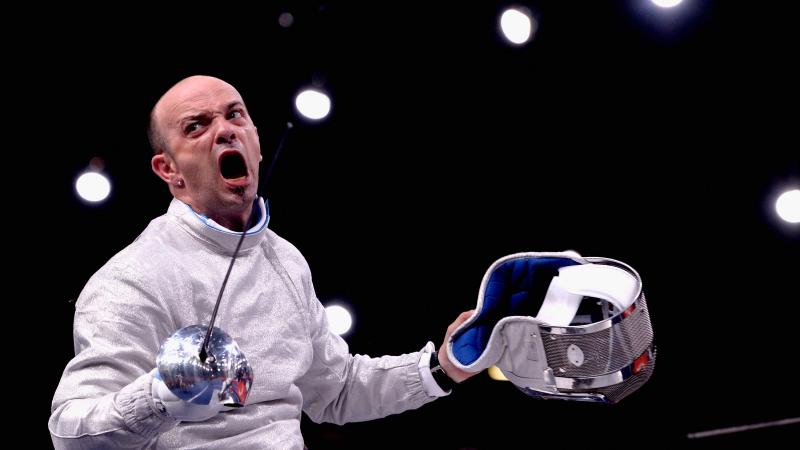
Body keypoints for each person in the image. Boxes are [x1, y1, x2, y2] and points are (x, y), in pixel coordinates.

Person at [49, 75, 477, 449]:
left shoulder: (285, 259)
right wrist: (163, 394)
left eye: (235, 116)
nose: (224, 131)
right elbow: (71, 432)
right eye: (196, 126)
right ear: (169, 170)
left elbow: (337, 390)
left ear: (255, 140)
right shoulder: (131, 278)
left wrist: (442, 366)